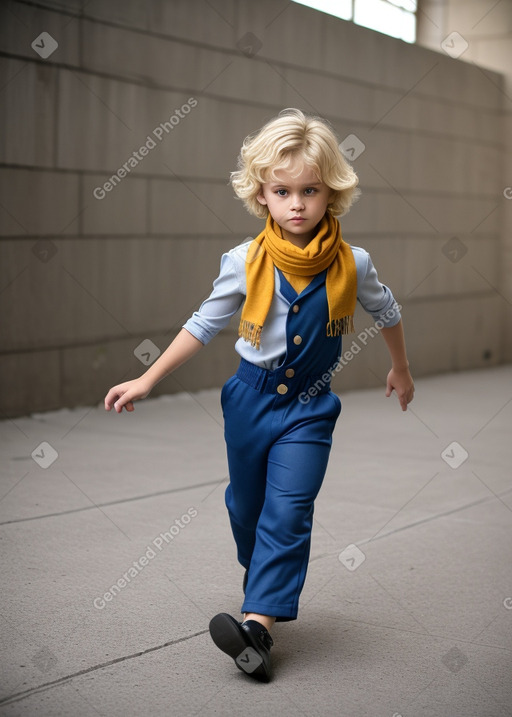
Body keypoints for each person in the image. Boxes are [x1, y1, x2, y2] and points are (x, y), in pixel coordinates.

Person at [104, 108, 415, 683]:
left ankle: (258, 629)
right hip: (248, 402)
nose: (297, 203)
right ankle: (263, 590)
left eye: (310, 190)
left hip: (310, 407)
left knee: (288, 511)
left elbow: (387, 311)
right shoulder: (245, 260)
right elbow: (203, 323)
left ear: (331, 195)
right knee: (245, 508)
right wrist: (147, 378)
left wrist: (400, 367)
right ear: (262, 196)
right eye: (282, 190)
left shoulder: (354, 263)